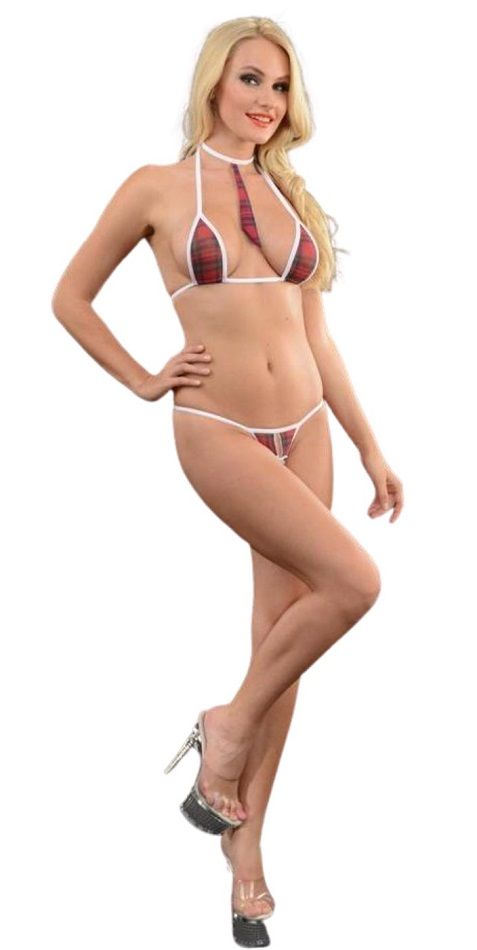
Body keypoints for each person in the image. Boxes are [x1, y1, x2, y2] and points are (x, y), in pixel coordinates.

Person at [51, 15, 404, 947]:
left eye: (280, 87)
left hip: (308, 430)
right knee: (354, 583)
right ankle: (226, 724)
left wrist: (368, 446)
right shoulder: (157, 187)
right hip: (220, 429)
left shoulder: (291, 196)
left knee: (280, 638)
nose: (266, 100)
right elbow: (69, 297)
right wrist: (142, 378)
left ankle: (243, 850)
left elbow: (317, 339)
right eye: (251, 79)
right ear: (214, 81)